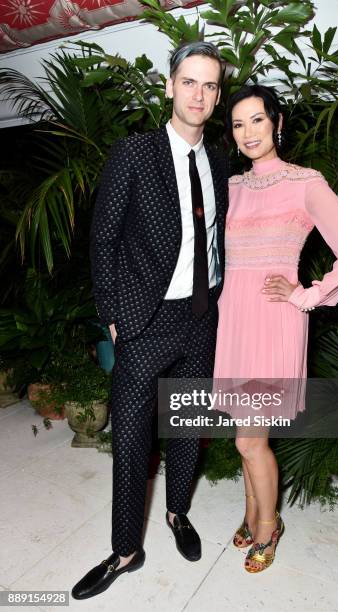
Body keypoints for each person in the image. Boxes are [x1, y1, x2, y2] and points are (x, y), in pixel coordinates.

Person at [71, 41, 228, 600]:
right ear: (169, 86)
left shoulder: (219, 159)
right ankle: (124, 551)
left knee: (187, 425)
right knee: (133, 441)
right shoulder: (134, 154)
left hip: (202, 315)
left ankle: (178, 512)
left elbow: (219, 236)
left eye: (210, 85)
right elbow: (103, 239)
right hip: (144, 319)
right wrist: (114, 317)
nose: (200, 94)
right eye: (190, 81)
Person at [212, 84, 338, 573]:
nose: (248, 132)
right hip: (235, 318)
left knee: (249, 441)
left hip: (274, 321)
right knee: (245, 433)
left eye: (257, 120)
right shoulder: (234, 187)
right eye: (238, 124)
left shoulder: (305, 182)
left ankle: (269, 527)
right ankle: (250, 514)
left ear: (277, 123)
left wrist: (308, 294)